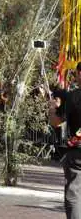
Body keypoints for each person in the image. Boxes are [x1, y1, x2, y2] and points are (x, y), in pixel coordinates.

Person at [49, 63, 81, 219]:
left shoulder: (72, 97)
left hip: (77, 152)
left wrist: (53, 109)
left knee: (73, 195)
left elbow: (56, 122)